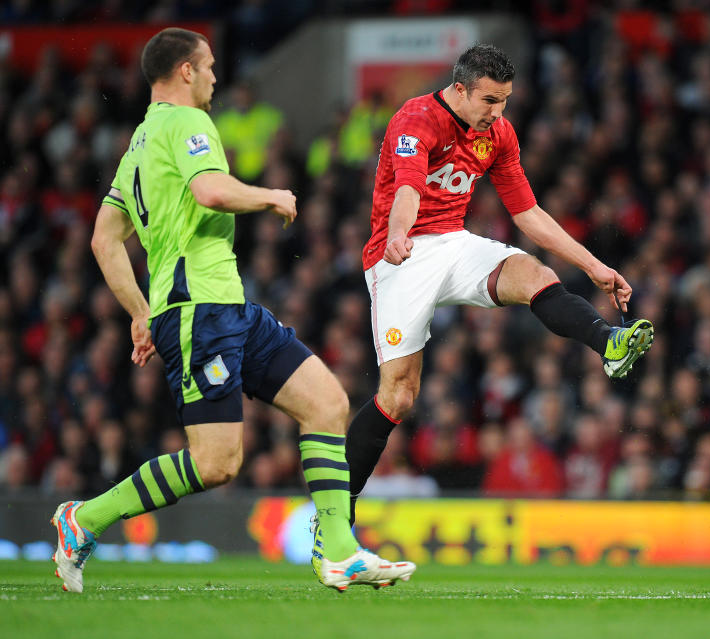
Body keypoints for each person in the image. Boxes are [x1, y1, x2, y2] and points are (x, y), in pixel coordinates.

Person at [50, 27, 413, 593]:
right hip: (200, 311)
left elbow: (103, 238)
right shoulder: (188, 122)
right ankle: (85, 518)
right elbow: (210, 191)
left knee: (327, 403)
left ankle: (338, 550)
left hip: (225, 306)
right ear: (186, 71)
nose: (217, 78)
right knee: (216, 462)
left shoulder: (138, 147)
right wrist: (271, 195)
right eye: (211, 67)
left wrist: (140, 311)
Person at [346, 44, 654, 523]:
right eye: (490, 100)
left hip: (453, 241)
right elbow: (408, 188)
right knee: (399, 397)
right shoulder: (416, 119)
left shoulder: (499, 133)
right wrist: (399, 235)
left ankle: (608, 342)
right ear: (460, 89)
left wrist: (594, 265)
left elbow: (527, 212)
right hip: (400, 257)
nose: (498, 112)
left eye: (505, 100)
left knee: (537, 274)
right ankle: (333, 510)